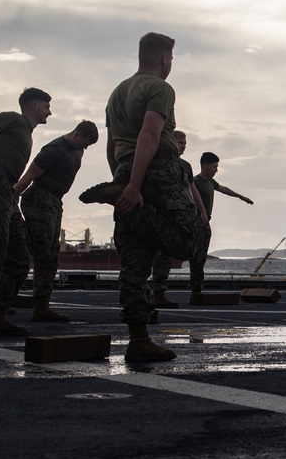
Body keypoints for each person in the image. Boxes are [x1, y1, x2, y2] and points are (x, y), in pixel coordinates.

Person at [84, 32, 200, 363]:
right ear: (164, 59)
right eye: (172, 59)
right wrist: (135, 187)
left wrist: (121, 181)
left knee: (135, 262)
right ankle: (139, 211)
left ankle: (138, 337)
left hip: (123, 169)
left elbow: (112, 147)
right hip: (155, 172)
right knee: (186, 241)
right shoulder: (160, 88)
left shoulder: (117, 93)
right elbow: (149, 135)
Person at [13, 120, 99, 322]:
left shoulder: (78, 150)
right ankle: (3, 297)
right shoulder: (54, 150)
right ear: (76, 134)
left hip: (54, 201)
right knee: (37, 248)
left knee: (50, 256)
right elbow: (29, 176)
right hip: (39, 198)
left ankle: (42, 307)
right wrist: (10, 198)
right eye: (84, 143)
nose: (85, 148)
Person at [0, 87, 52, 336]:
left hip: (7, 192)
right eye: (47, 106)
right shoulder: (15, 120)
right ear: (34, 106)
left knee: (18, 258)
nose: (50, 111)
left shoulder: (26, 132)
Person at [149, 130, 208, 309]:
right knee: (162, 255)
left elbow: (192, 189)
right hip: (163, 215)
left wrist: (202, 211)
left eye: (185, 143)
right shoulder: (158, 162)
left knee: (190, 251)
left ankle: (195, 289)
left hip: (183, 215)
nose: (183, 146)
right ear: (170, 142)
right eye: (180, 142)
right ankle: (157, 291)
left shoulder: (185, 166)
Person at [188, 151, 252, 300]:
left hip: (206, 222)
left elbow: (223, 189)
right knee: (196, 257)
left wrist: (241, 197)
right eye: (214, 166)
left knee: (202, 257)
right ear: (205, 165)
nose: (216, 170)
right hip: (196, 221)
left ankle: (197, 287)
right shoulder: (195, 181)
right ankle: (195, 288)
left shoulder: (211, 182)